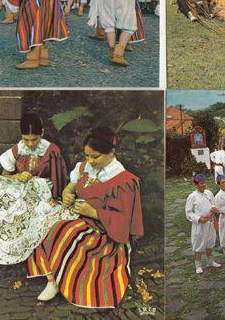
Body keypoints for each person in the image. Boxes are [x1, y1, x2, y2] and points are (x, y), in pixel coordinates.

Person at [29, 127, 143, 308]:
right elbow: (71, 187)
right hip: (79, 215)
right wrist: (67, 193)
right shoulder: (84, 167)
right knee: (42, 221)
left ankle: (58, 280)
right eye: (87, 155)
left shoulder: (123, 181)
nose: (89, 160)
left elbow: (123, 220)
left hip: (105, 231)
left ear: (111, 153)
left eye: (95, 157)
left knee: (64, 231)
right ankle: (52, 275)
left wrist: (93, 212)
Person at [0, 113, 68, 200]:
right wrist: (18, 176)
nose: (30, 144)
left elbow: (58, 182)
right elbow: (3, 177)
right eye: (26, 139)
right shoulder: (17, 150)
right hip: (20, 195)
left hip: (43, 197)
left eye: (35, 139)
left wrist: (40, 182)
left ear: (42, 133)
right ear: (21, 133)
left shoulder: (52, 151)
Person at [185, 173, 220, 274]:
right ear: (196, 184)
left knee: (210, 242)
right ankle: (198, 265)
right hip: (200, 225)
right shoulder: (192, 197)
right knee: (199, 244)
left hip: (210, 221)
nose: (204, 185)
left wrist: (214, 207)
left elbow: (213, 204)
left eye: (205, 183)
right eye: (201, 183)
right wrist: (199, 218)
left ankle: (210, 261)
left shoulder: (209, 193)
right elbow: (188, 213)